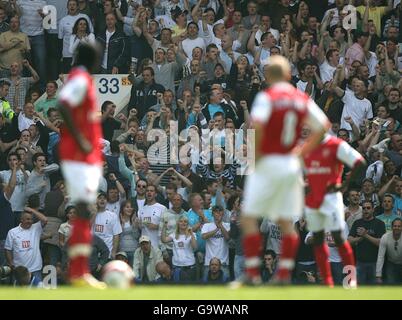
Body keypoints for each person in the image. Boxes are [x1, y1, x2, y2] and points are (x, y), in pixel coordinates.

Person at [241, 55, 330, 285]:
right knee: (286, 221)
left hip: (270, 162)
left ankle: (252, 273)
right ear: (289, 75)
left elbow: (256, 127)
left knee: (250, 216)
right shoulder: (300, 98)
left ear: (269, 76)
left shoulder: (266, 97)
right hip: (290, 164)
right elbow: (322, 127)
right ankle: (283, 273)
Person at [57, 42, 105, 288]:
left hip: (82, 156)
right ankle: (79, 272)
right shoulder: (81, 78)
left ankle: (78, 271)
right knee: (85, 210)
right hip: (77, 155)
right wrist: (82, 140)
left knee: (85, 211)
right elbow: (63, 103)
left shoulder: (82, 78)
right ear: (93, 60)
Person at [303, 134, 366, 287]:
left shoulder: (337, 147)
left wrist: (346, 184)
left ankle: (351, 282)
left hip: (331, 200)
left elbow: (360, 163)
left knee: (339, 240)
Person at [5, 207, 48, 282]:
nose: (30, 221)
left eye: (31, 219)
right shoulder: (12, 232)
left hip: (35, 269)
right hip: (19, 270)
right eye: (27, 219)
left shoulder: (36, 228)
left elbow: (45, 220)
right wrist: (11, 263)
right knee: (18, 293)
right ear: (21, 220)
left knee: (37, 293)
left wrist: (32, 210)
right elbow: (8, 249)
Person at [348, 200, 386, 285]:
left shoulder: (379, 223)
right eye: (364, 208)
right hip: (360, 262)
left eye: (368, 208)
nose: (366, 210)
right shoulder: (357, 223)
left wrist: (365, 235)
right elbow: (349, 241)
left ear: (373, 209)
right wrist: (360, 238)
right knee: (360, 291)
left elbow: (381, 243)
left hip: (375, 263)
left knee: (374, 291)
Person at [161, 214, 197, 282]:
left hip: (190, 266)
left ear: (187, 224)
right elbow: (164, 240)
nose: (183, 223)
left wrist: (191, 233)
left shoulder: (192, 234)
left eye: (185, 221)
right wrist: (164, 227)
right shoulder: (174, 235)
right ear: (178, 223)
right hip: (177, 267)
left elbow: (195, 247)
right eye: (181, 221)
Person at [376, 218, 402, 284]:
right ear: (392, 227)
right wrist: (378, 275)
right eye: (395, 226)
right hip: (390, 263)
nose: (397, 228)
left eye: (399, 226)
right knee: (391, 285)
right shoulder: (385, 237)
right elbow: (380, 257)